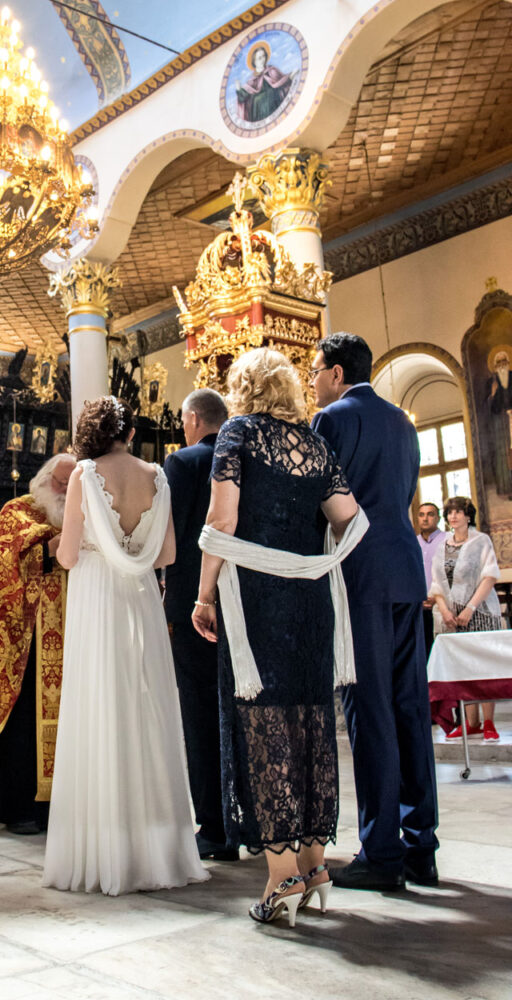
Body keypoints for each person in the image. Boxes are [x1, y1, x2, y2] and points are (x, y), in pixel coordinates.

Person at [193, 349, 363, 926]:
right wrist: (316, 561)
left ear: (244, 388)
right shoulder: (314, 444)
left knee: (264, 730)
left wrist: (204, 596)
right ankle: (315, 868)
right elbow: (348, 515)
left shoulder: (238, 433)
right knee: (311, 726)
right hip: (312, 603)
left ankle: (281, 878)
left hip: (258, 601)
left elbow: (222, 521)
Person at [43, 397, 208, 895]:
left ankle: (103, 852)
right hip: (141, 601)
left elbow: (67, 557)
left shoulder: (85, 474)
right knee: (146, 712)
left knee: (100, 709)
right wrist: (133, 551)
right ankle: (156, 851)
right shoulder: (157, 475)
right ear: (131, 433)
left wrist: (80, 545)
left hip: (98, 599)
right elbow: (169, 553)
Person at [311, 332, 439, 891]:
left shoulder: (331, 420)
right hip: (406, 572)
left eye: (316, 371)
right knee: (410, 705)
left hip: (358, 573)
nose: (313, 382)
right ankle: (421, 847)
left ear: (337, 373)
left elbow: (319, 500)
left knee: (370, 708)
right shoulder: (403, 423)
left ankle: (381, 852)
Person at [0, 454, 75, 833]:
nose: (64, 490)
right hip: (26, 639)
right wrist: (47, 549)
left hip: (72, 633)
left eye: (72, 485)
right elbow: (2, 566)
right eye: (59, 482)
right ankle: (22, 810)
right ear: (43, 479)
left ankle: (62, 810)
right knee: (25, 723)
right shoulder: (16, 512)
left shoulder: (81, 517)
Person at [163, 386, 234, 862]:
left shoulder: (183, 462)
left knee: (200, 712)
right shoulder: (245, 458)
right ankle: (248, 818)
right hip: (245, 600)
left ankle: (214, 827)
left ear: (192, 420)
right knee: (242, 710)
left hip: (194, 601)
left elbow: (169, 535)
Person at [429, 495, 503, 742]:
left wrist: (470, 608)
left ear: (468, 516)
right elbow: (437, 583)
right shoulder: (443, 545)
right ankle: (472, 723)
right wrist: (444, 610)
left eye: (458, 512)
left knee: (484, 667)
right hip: (452, 615)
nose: (453, 516)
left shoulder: (481, 540)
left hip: (480, 612)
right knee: (463, 668)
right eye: (449, 512)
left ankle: (489, 722)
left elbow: (490, 576)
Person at [235, 43, 293, 124]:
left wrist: (290, 77)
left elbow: (282, 81)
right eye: (259, 58)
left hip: (273, 103)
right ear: (254, 61)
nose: (262, 59)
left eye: (263, 56)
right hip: (258, 112)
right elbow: (244, 95)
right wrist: (238, 88)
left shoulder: (271, 70)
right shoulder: (252, 79)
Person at [417, 502, 447, 658]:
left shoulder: (448, 540)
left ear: (438, 518)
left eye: (430, 514)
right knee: (424, 650)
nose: (425, 518)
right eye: (421, 515)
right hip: (418, 605)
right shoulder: (413, 542)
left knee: (443, 650)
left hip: (443, 605)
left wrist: (438, 596)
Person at [486, 349, 512, 498]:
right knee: (505, 455)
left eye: (504, 361)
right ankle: (508, 487)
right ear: (495, 366)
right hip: (501, 424)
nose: (502, 365)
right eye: (499, 362)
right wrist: (493, 394)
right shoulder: (492, 382)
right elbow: (490, 408)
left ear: (508, 362)